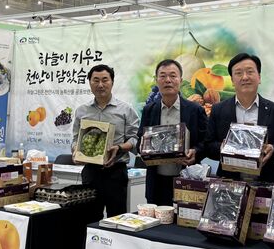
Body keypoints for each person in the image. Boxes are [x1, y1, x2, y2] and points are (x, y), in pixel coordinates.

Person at [202, 53, 274, 182]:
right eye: (238, 73)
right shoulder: (218, 110)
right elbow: (208, 145)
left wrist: (273, 149)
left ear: (259, 77)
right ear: (232, 81)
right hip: (228, 182)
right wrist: (223, 148)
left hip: (266, 182)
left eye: (250, 72)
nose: (245, 77)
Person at [72, 64, 140, 217]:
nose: (100, 85)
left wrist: (119, 148)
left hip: (115, 172)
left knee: (116, 218)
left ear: (112, 82)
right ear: (90, 83)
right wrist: (75, 150)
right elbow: (76, 138)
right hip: (90, 172)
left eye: (105, 80)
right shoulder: (82, 111)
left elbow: (135, 138)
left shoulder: (126, 109)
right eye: (96, 80)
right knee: (89, 218)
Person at [137, 59, 208, 206]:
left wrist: (195, 152)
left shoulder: (195, 110)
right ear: (157, 81)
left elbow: (206, 141)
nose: (168, 80)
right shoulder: (149, 110)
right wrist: (144, 149)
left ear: (180, 80)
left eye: (173, 76)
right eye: (162, 76)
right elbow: (140, 141)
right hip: (156, 183)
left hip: (187, 181)